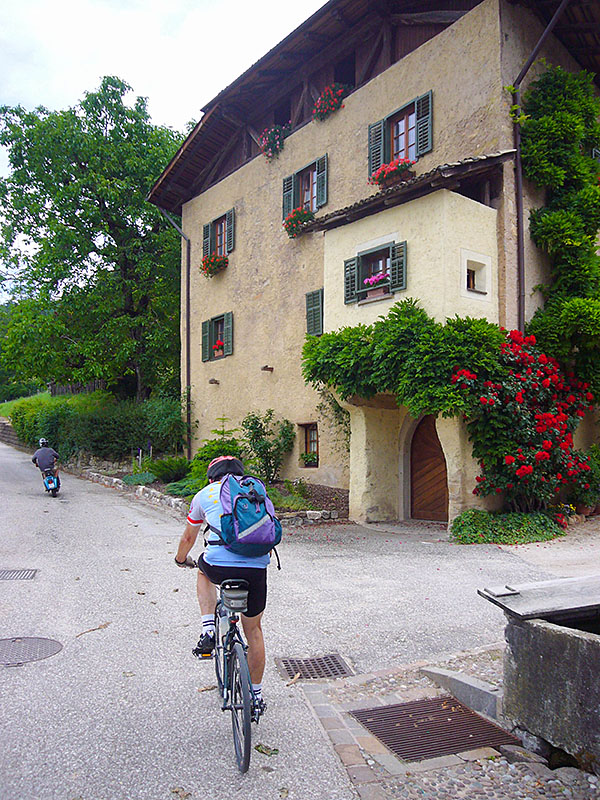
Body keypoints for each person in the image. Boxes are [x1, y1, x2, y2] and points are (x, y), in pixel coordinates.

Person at [174, 455, 269, 711]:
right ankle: (256, 697)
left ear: (211, 476)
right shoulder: (254, 491)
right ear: (240, 474)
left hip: (219, 566)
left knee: (202, 572)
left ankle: (207, 630)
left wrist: (181, 559)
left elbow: (188, 537)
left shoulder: (204, 495)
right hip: (256, 568)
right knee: (254, 632)